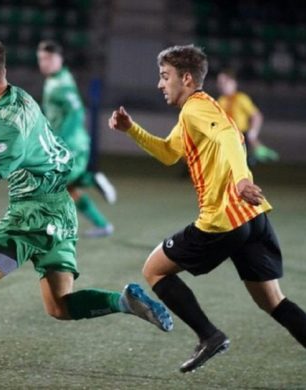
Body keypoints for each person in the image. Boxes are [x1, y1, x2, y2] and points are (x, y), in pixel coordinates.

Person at [0, 36, 173, 390]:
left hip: (30, 216)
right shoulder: (23, 97)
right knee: (60, 305)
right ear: (2, 71)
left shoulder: (6, 121)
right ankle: (122, 301)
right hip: (62, 212)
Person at [108, 44, 306, 373]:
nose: (160, 84)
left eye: (165, 76)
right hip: (252, 219)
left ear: (186, 78)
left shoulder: (195, 109)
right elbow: (170, 153)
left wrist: (242, 179)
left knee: (154, 269)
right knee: (274, 302)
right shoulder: (197, 111)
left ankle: (209, 336)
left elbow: (230, 135)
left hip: (224, 218)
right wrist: (132, 130)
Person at [37, 40, 116, 238]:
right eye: (41, 59)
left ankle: (89, 180)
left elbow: (77, 112)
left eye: (48, 58)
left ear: (59, 59)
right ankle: (102, 225)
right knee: (69, 188)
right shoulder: (58, 78)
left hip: (70, 145)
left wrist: (61, 140)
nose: (44, 63)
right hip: (72, 143)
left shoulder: (60, 85)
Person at [216, 70, 279, 165]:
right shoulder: (221, 101)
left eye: (224, 82)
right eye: (220, 83)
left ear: (233, 83)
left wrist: (253, 133)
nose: (221, 85)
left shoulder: (241, 98)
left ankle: (259, 151)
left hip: (241, 136)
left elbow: (257, 116)